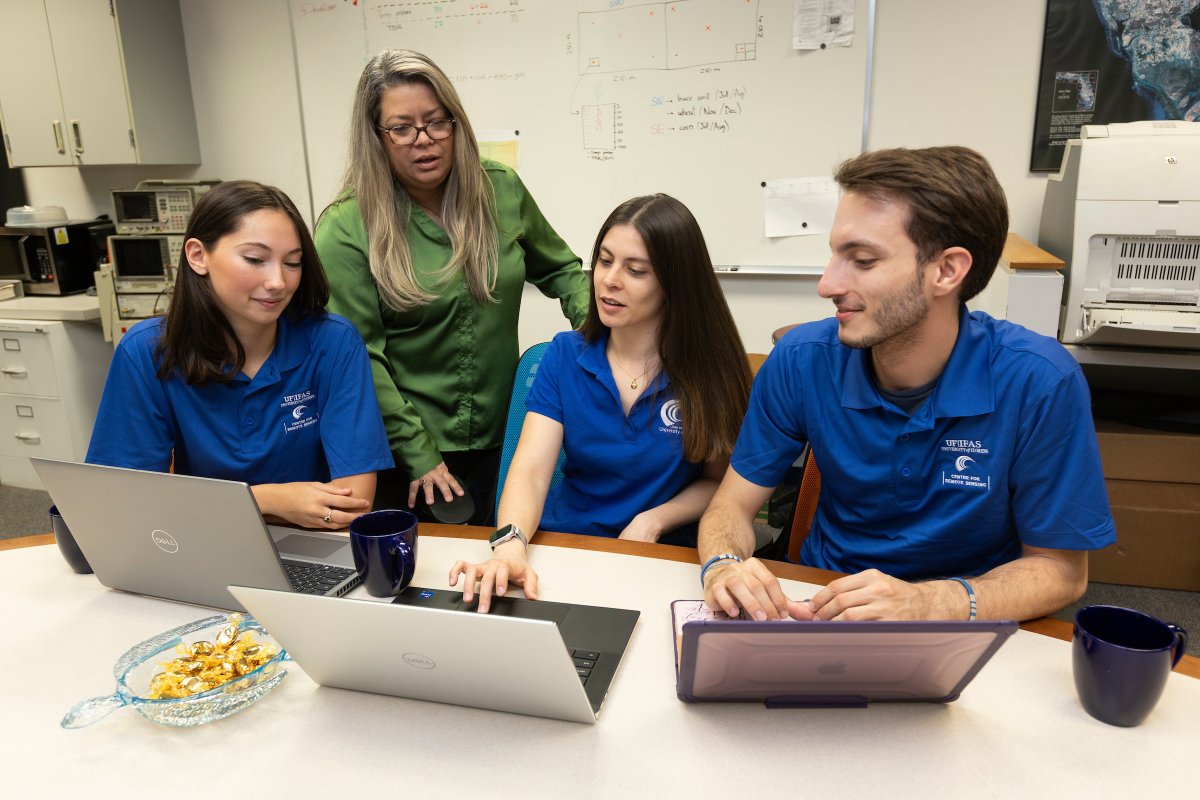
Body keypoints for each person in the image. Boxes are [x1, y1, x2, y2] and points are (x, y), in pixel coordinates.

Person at [699, 146, 1116, 623]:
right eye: (834, 255)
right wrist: (723, 564)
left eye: (862, 260)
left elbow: (1061, 571)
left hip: (966, 619)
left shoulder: (1039, 381)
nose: (827, 284)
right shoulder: (801, 360)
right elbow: (731, 506)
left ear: (947, 271)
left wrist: (927, 603)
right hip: (822, 604)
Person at [314, 49, 590, 525]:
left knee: (502, 554)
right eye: (402, 128)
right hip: (407, 455)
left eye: (437, 122)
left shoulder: (500, 188)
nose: (424, 140)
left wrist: (605, 340)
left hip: (502, 433)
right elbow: (359, 357)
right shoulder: (346, 227)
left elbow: (563, 270)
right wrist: (418, 452)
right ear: (376, 136)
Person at [448, 194, 753, 611]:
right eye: (605, 261)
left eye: (635, 270)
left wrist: (655, 519)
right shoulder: (563, 355)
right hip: (567, 545)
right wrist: (510, 545)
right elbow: (531, 471)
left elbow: (719, 483)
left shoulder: (710, 369)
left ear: (675, 283)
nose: (609, 280)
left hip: (659, 557)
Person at [87, 180, 393, 529]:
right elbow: (124, 499)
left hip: (313, 543)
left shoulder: (334, 343)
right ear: (198, 256)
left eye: (292, 263)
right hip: (202, 538)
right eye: (255, 259)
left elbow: (351, 505)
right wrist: (270, 499)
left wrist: (210, 504)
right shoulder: (147, 351)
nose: (278, 282)